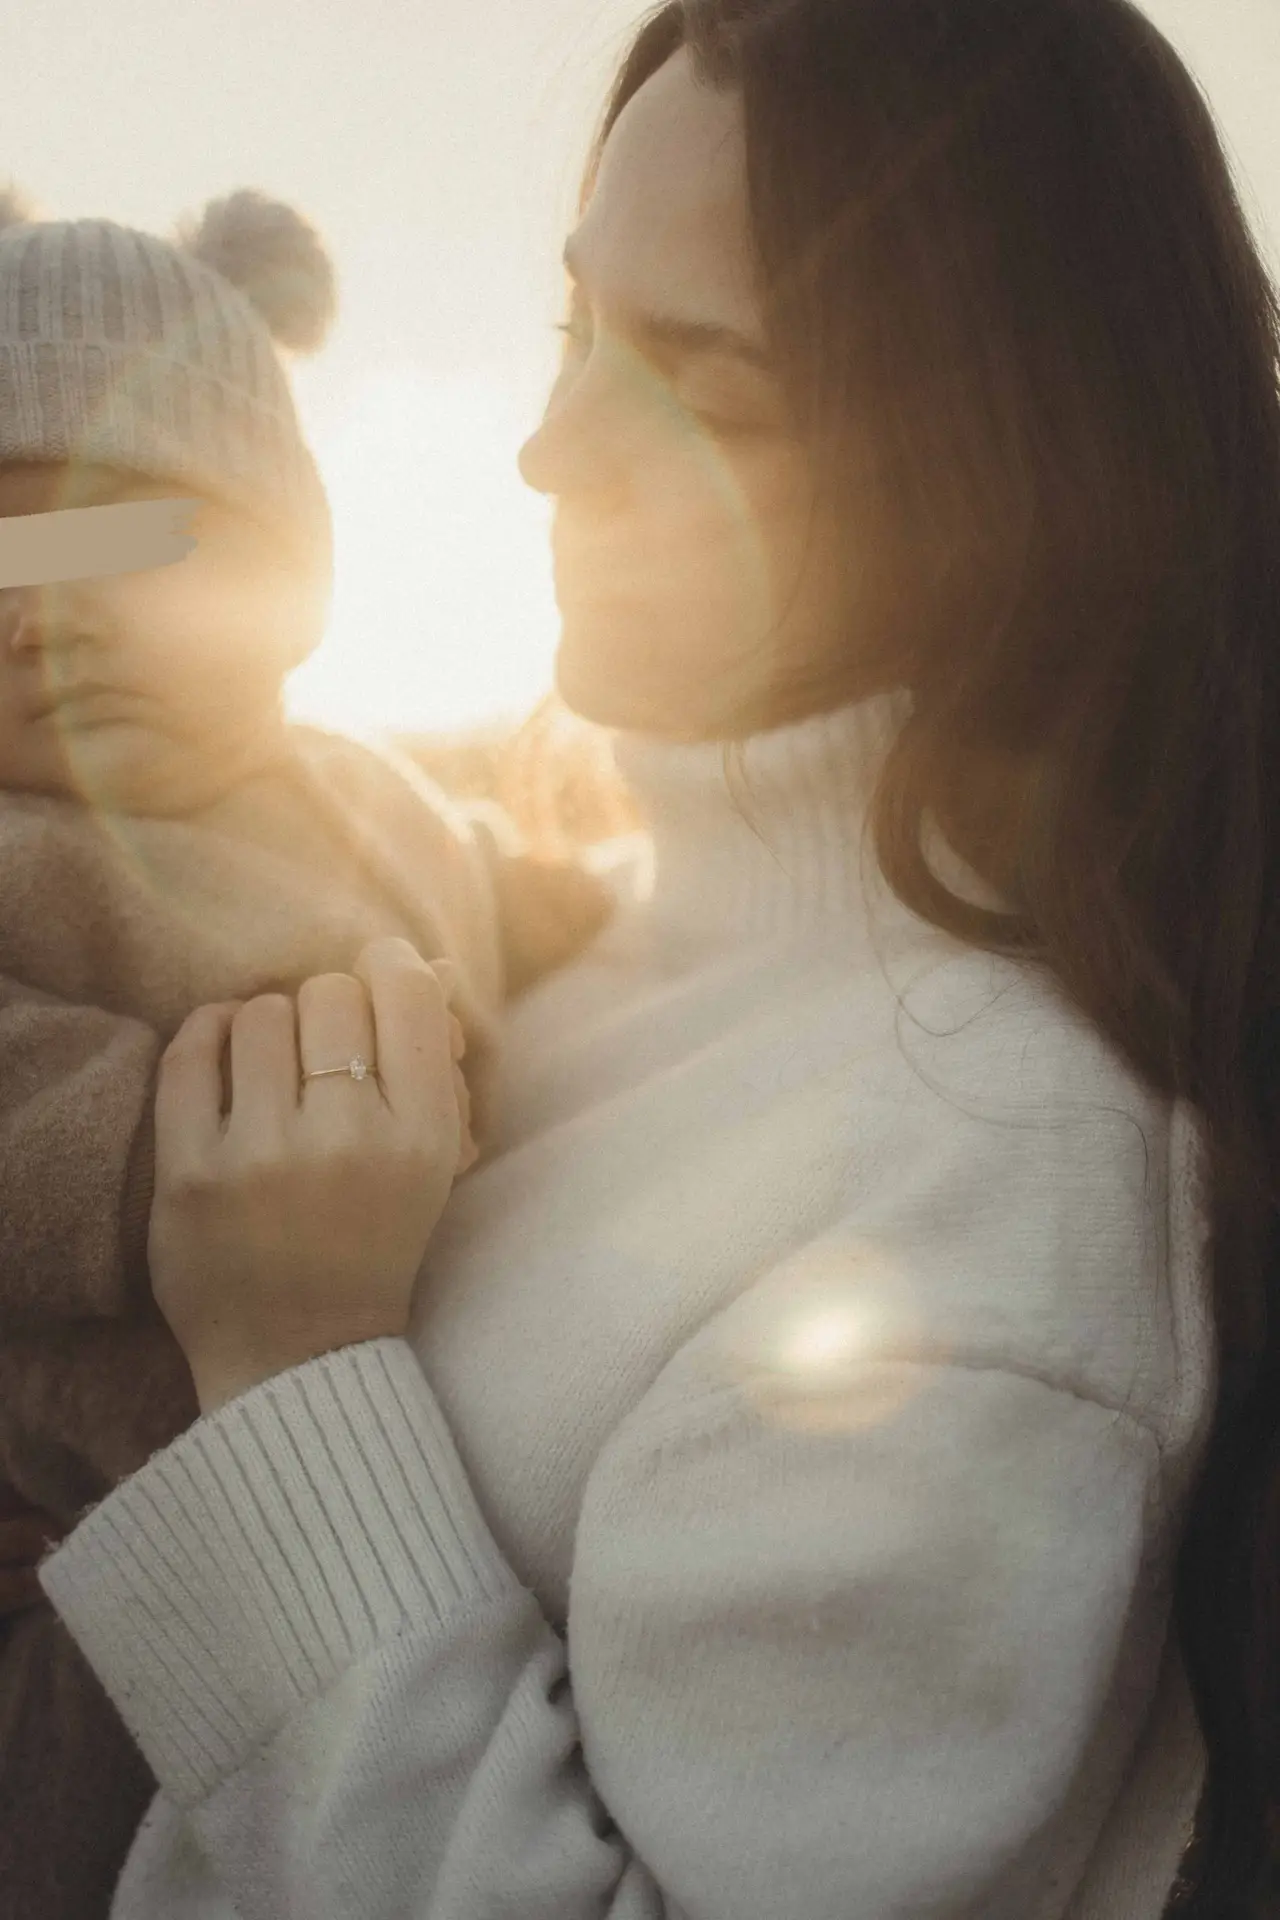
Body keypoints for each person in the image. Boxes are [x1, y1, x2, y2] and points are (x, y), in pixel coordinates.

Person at [29, 0, 1280, 1910]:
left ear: (999, 456)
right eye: (573, 331)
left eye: (703, 382)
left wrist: (286, 1366)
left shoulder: (995, 1190)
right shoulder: (615, 932)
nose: (546, 448)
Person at [0, 187, 607, 1919]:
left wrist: (613, 914)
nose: (47, 611)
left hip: (370, 1515)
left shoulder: (377, 800)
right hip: (94, 1545)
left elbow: (522, 899)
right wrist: (145, 1143)